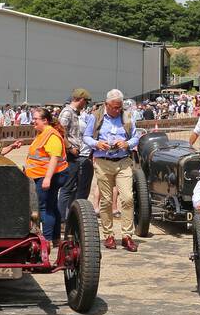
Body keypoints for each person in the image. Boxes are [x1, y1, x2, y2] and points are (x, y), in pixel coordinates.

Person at [84, 89, 141, 251]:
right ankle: (108, 235)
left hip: (123, 161)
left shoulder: (127, 116)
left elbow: (136, 136)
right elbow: (86, 137)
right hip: (103, 161)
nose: (117, 110)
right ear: (107, 104)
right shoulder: (95, 117)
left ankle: (127, 236)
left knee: (128, 198)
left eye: (119, 107)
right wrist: (97, 144)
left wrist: (127, 143)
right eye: (115, 107)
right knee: (106, 200)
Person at [24, 107, 67, 247]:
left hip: (47, 176)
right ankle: (55, 239)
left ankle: (47, 240)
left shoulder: (51, 135)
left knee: (44, 208)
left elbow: (54, 158)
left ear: (45, 120)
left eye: (36, 119)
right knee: (52, 206)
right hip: (43, 174)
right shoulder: (43, 133)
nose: (33, 121)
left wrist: (47, 178)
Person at [56, 88, 92, 228]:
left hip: (74, 154)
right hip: (69, 155)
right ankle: (62, 220)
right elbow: (59, 132)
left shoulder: (73, 113)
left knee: (72, 188)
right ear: (81, 99)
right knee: (66, 188)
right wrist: (70, 148)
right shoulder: (67, 112)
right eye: (86, 102)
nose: (86, 105)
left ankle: (68, 217)